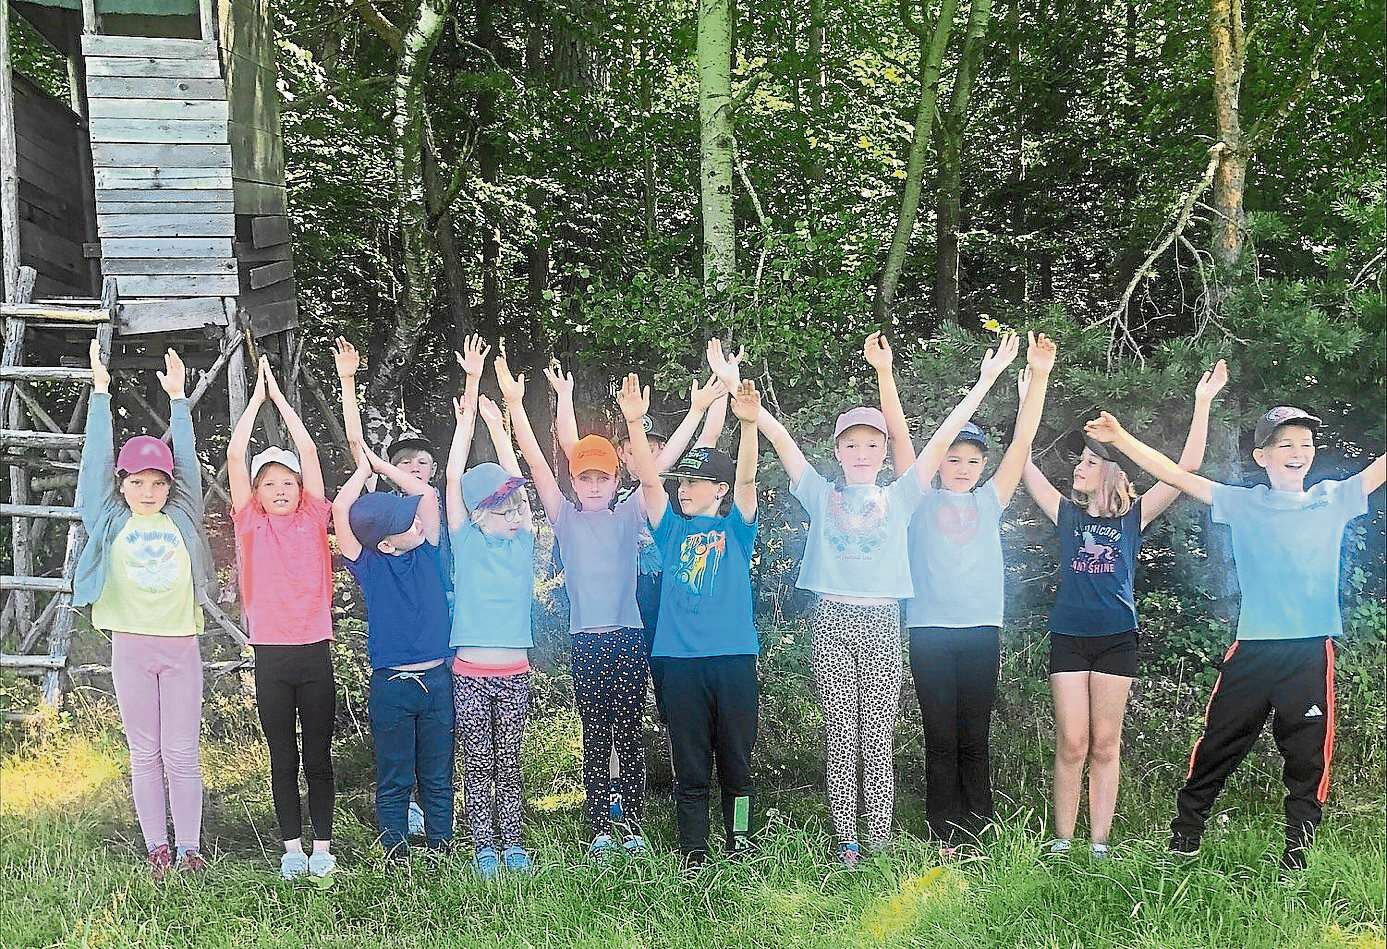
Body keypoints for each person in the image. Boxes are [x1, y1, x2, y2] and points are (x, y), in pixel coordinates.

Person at [714, 334, 1019, 867]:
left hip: (881, 621)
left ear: (884, 453)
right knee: (840, 730)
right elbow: (782, 442)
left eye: (872, 445)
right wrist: (753, 414)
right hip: (833, 619)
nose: (862, 453)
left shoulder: (903, 495)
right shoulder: (820, 492)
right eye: (851, 445)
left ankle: (877, 838)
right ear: (837, 452)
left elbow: (943, 434)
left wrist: (987, 381)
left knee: (877, 734)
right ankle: (846, 840)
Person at [1084, 404, 1384, 871]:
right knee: (1216, 746)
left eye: (1305, 445)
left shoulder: (1334, 497)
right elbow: (1178, 476)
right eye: (1284, 444)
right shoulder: (1243, 503)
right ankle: (1184, 842)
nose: (1296, 453)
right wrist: (1120, 439)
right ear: (1262, 456)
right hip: (1253, 651)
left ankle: (1295, 861)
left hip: (1309, 652)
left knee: (1308, 759)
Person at [1020, 359, 1228, 859]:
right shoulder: (1065, 515)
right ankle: (1063, 841)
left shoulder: (1135, 516)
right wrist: (1031, 394)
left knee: (1105, 745)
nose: (1078, 468)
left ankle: (1098, 845)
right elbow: (1020, 463)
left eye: (1088, 462)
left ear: (1111, 471)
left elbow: (1186, 470)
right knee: (1072, 744)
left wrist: (1202, 403)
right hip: (1069, 637)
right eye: (1079, 462)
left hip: (1117, 637)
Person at [882, 331, 1057, 852]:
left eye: (972, 461)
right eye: (953, 459)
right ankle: (944, 833)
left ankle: (978, 828)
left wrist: (1039, 379)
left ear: (983, 466)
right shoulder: (916, 499)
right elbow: (898, 437)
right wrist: (886, 374)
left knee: (974, 736)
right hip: (930, 632)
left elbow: (1023, 443)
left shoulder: (990, 500)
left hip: (981, 630)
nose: (961, 468)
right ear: (939, 464)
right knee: (939, 736)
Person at [74, 341, 211, 879]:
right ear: (122, 485)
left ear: (170, 487)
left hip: (180, 647)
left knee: (181, 754)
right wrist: (101, 393)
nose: (148, 489)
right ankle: (157, 845)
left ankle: (191, 849)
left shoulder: (183, 516)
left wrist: (178, 401)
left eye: (158, 481)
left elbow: (191, 467)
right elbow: (95, 463)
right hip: (130, 646)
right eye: (137, 481)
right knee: (144, 753)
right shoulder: (109, 517)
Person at [622, 372, 763, 870]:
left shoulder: (737, 527)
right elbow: (647, 481)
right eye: (684, 481)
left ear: (719, 489)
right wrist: (635, 425)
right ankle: (694, 853)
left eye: (697, 481)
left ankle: (741, 840)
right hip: (679, 663)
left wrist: (747, 429)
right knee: (690, 764)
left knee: (738, 765)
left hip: (733, 660)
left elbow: (747, 481)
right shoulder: (670, 530)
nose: (686, 489)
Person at [547, 362, 729, 715]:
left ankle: (676, 753)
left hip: (667, 593)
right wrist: (564, 397)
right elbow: (574, 449)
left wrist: (710, 401)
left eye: (651, 445)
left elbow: (708, 439)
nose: (641, 453)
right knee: (611, 694)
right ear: (621, 455)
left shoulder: (678, 486)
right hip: (624, 599)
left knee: (670, 682)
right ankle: (615, 764)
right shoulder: (609, 496)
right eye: (631, 447)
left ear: (661, 449)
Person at [227, 357, 338, 882]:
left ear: (300, 490)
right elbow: (233, 452)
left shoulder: (314, 517)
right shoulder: (250, 525)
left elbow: (311, 451)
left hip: (315, 651)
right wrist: (255, 398)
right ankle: (291, 848)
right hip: (269, 656)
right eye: (268, 483)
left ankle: (323, 846)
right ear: (256, 491)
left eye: (287, 483)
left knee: (317, 755)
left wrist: (281, 399)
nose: (279, 490)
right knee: (282, 759)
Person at [333, 433, 453, 857]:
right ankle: (395, 851)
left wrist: (383, 467)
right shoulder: (370, 567)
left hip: (438, 682)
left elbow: (424, 494)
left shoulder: (429, 552)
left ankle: (441, 849)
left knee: (438, 774)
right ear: (385, 543)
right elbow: (340, 511)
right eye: (405, 522)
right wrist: (362, 471)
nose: (416, 521)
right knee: (395, 775)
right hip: (392, 689)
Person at [447, 343, 538, 877]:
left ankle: (512, 839)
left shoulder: (523, 542)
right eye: (499, 507)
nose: (510, 513)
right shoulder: (467, 539)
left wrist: (499, 421)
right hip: (471, 674)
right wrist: (470, 395)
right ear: (479, 514)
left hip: (515, 673)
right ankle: (485, 844)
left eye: (513, 506)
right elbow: (454, 480)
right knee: (478, 764)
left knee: (510, 763)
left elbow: (516, 478)